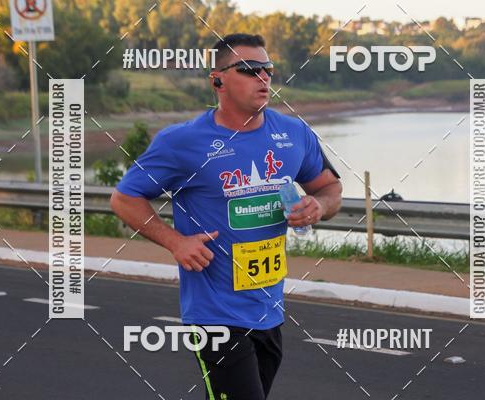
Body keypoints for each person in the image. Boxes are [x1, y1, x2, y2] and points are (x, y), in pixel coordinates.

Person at [110, 33, 342, 400]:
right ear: (217, 80)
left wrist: (319, 206)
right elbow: (124, 198)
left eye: (268, 69)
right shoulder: (183, 141)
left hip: (269, 310)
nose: (263, 77)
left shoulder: (294, 133)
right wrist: (175, 242)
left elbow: (330, 188)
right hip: (215, 316)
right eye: (249, 69)